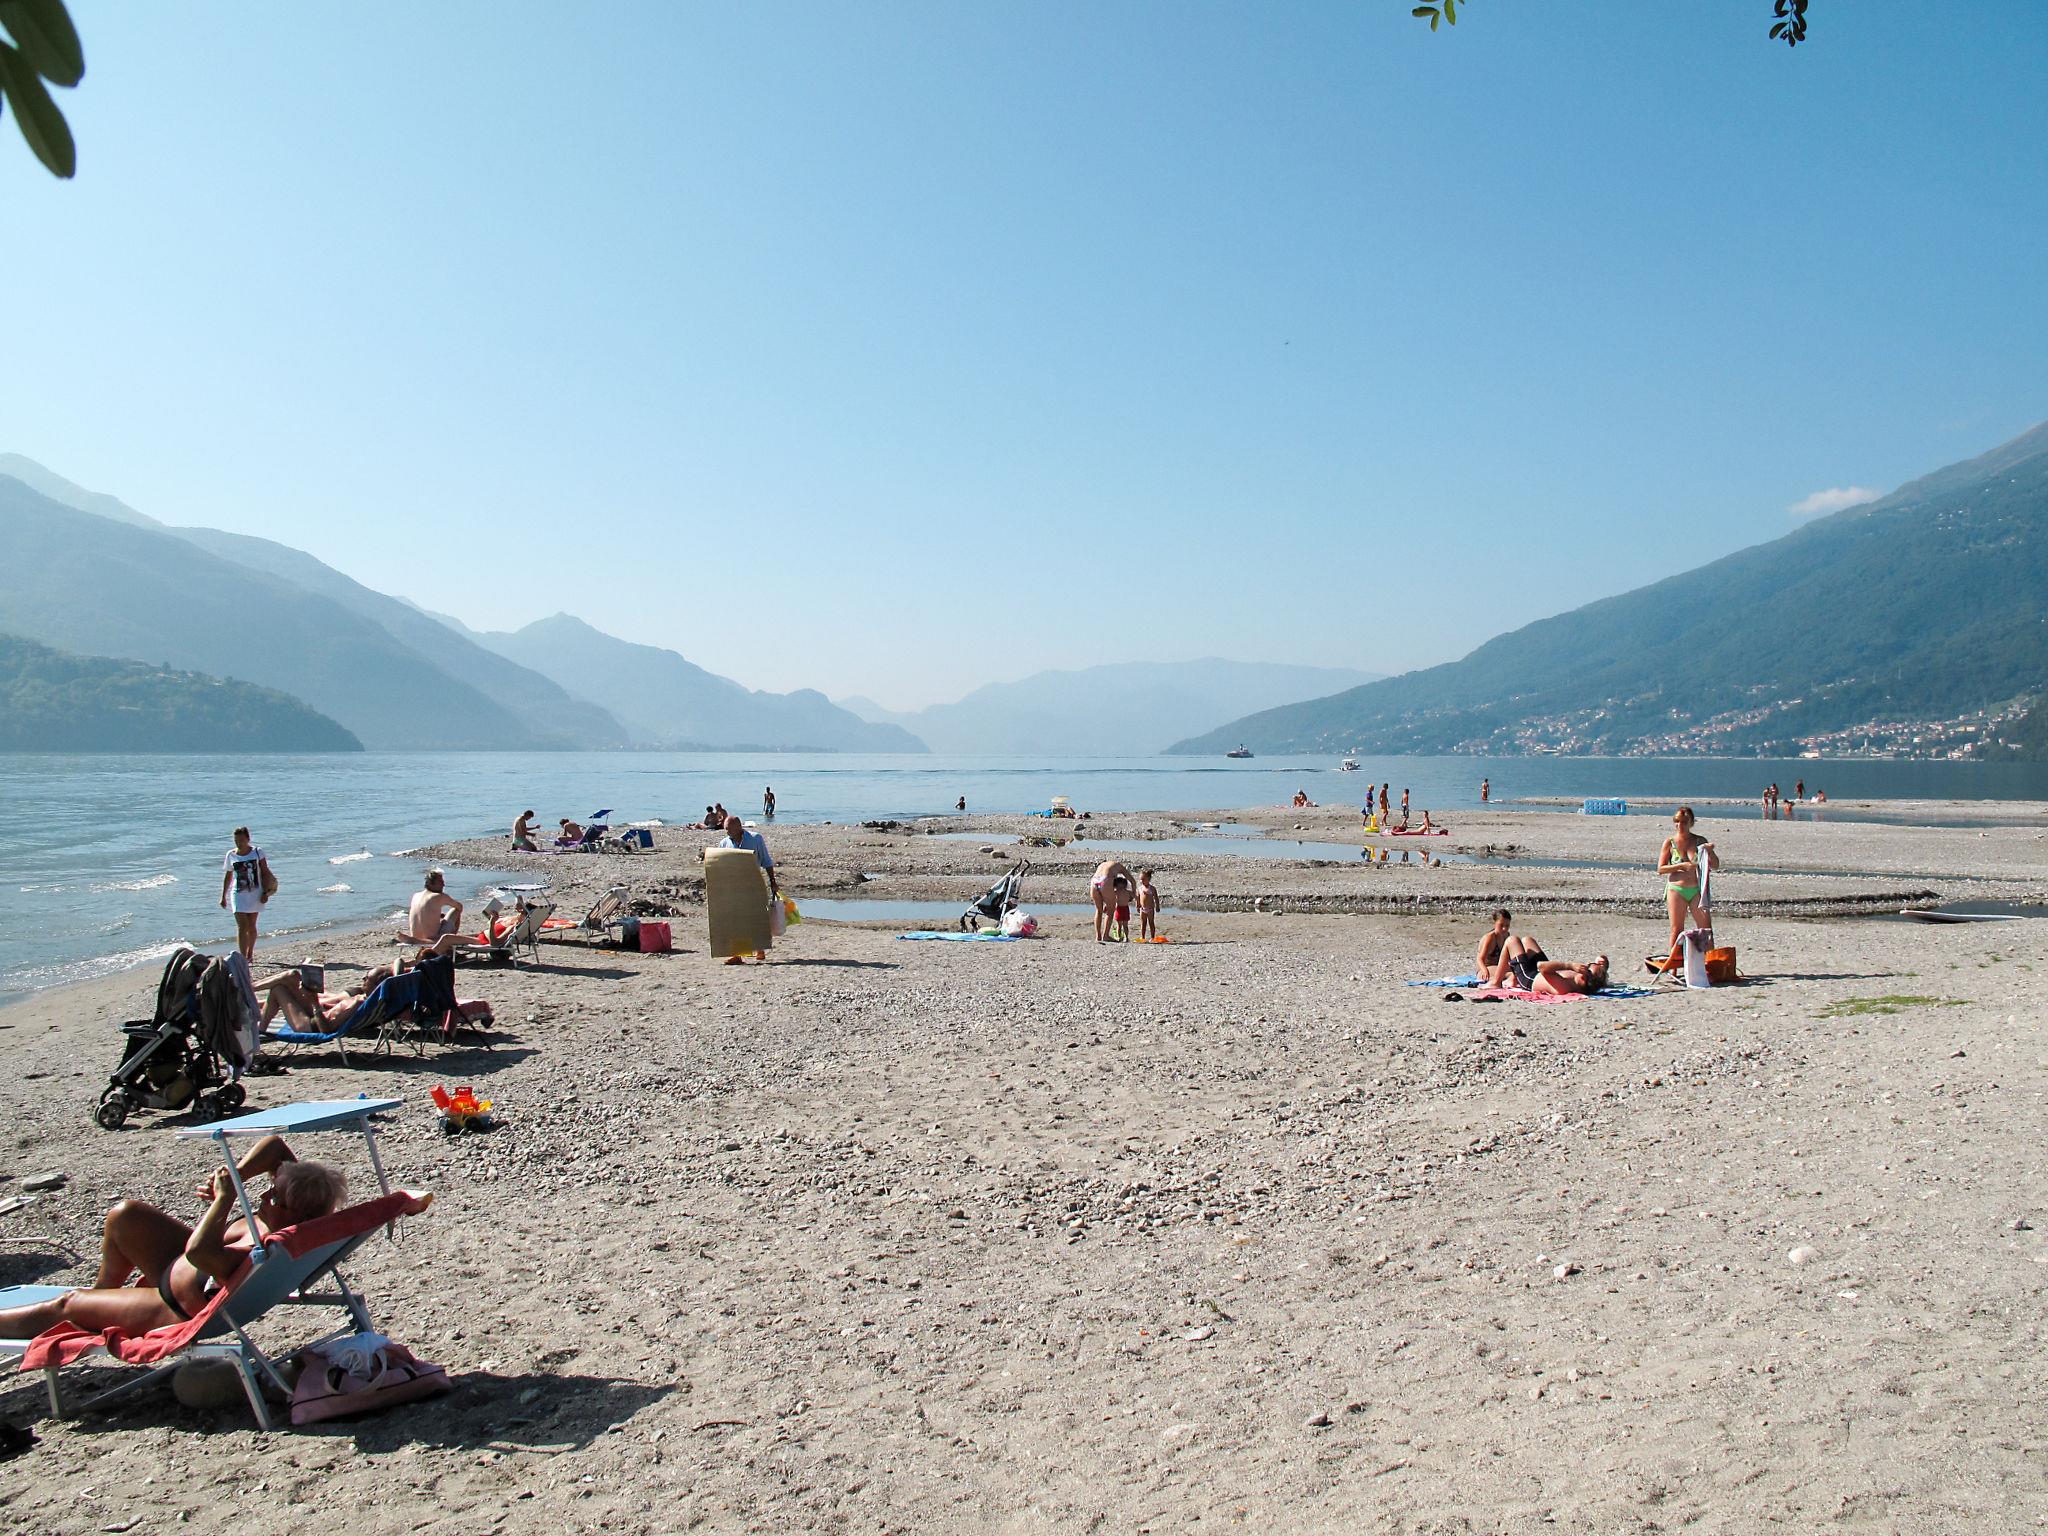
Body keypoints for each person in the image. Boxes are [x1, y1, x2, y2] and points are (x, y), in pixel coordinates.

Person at [0, 1136, 345, 1339]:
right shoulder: (294, 1218)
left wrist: (225, 1199)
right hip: (177, 1270)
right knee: (126, 1215)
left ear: (295, 1212)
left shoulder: (266, 1248)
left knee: (67, 1304)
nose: (265, 1195)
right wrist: (236, 1174)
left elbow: (200, 1253)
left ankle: (86, 1312)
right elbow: (275, 1147)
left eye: (275, 1196)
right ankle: (102, 1297)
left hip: (172, 1307)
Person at [716, 813, 777, 965]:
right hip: (734, 887)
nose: (727, 831)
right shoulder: (724, 843)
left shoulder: (755, 839)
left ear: (738, 826)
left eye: (729, 828)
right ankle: (738, 954)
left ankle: (760, 948)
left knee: (756, 918)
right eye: (725, 829)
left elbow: (766, 861)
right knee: (736, 920)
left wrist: (773, 881)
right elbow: (721, 866)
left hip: (753, 884)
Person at [1658, 805, 1719, 948]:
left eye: (1684, 822)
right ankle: (1674, 962)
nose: (1680, 825)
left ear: (1691, 823)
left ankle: (1710, 959)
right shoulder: (1670, 843)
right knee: (1676, 930)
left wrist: (1710, 852)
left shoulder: (1699, 841)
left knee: (1705, 929)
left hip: (1696, 890)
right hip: (1676, 889)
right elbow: (1660, 869)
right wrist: (1681, 866)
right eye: (1677, 821)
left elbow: (1715, 865)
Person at [218, 827, 273, 966]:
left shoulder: (257, 852)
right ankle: (243, 958)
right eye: (236, 840)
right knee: (242, 926)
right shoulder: (231, 855)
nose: (239, 843)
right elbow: (228, 875)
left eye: (241, 840)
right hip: (238, 894)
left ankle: (250, 954)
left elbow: (265, 872)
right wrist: (223, 895)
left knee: (251, 925)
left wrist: (266, 892)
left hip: (255, 893)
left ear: (248, 839)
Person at [400, 870, 465, 957]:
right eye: (440, 882)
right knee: (456, 910)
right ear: (431, 884)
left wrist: (439, 915)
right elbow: (459, 907)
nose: (443, 885)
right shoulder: (439, 896)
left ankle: (421, 943)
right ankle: (448, 948)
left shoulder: (416, 895)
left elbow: (423, 912)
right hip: (434, 939)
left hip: (415, 936)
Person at [1090, 859, 1133, 944]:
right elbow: (1131, 880)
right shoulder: (1119, 866)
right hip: (1105, 880)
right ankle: (1105, 935)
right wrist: (1133, 893)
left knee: (1099, 910)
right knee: (1110, 911)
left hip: (1094, 880)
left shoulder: (1102, 865)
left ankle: (1098, 936)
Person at [1136, 869, 1159, 941]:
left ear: (1148, 879)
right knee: (1143, 923)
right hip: (1142, 909)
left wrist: (1157, 906)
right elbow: (1138, 897)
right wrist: (1137, 905)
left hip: (1150, 909)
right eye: (1140, 879)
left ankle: (1152, 937)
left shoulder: (1152, 888)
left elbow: (1156, 898)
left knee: (1151, 923)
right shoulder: (1140, 888)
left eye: (1143, 879)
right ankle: (1142, 937)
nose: (1141, 881)